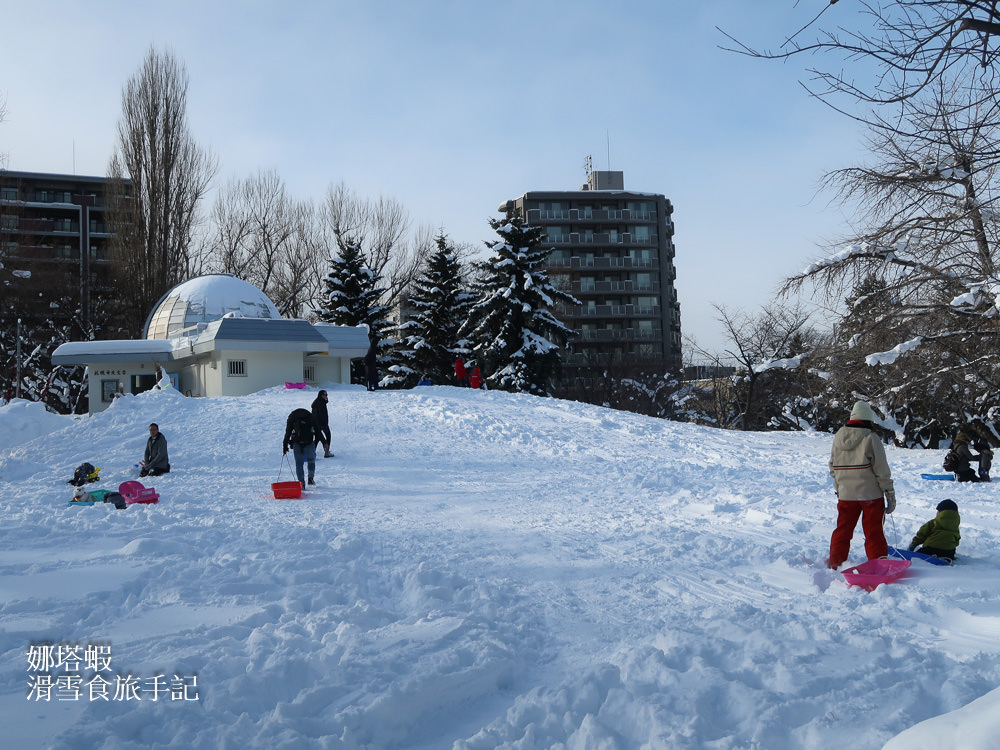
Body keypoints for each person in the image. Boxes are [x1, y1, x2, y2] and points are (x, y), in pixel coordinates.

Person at [827, 401, 895, 569]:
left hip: (845, 495)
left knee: (843, 530)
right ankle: (878, 565)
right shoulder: (871, 438)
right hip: (871, 495)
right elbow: (881, 469)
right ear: (868, 419)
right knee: (874, 532)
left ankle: (835, 563)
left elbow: (833, 466)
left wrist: (839, 487)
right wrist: (889, 493)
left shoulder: (838, 437)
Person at [283, 408, 319, 486]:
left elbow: (288, 433)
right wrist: (323, 443)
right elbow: (318, 431)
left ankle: (301, 483)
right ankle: (310, 478)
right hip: (309, 442)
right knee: (311, 461)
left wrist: (285, 446)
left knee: (299, 464)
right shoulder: (310, 417)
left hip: (297, 443)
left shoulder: (292, 418)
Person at [311, 389, 334, 458]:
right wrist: (320, 425)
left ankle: (312, 452)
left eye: (326, 395)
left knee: (318, 438)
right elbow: (317, 415)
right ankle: (326, 452)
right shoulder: (319, 403)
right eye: (324, 395)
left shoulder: (321, 401)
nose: (326, 396)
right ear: (320, 395)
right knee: (326, 436)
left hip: (322, 424)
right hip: (321, 424)